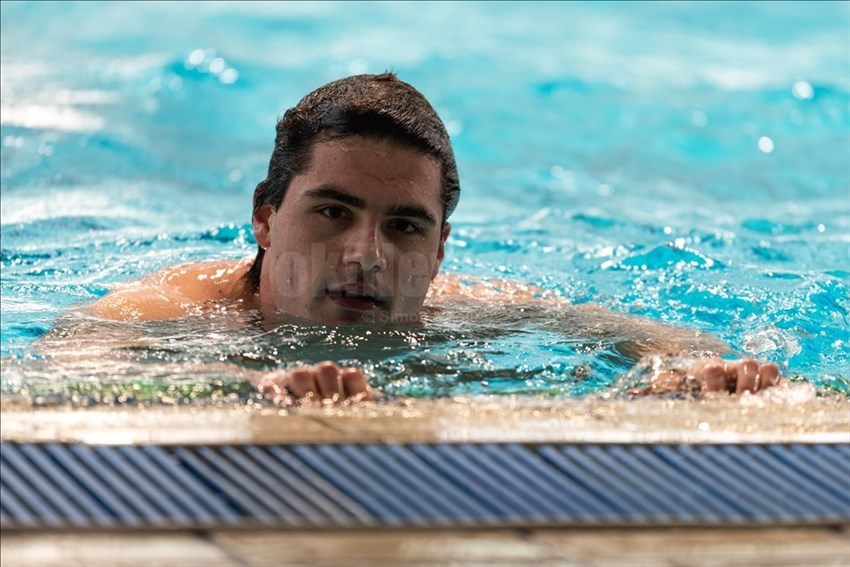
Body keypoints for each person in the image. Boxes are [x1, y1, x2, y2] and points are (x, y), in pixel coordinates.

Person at [90, 73, 783, 404]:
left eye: (404, 226)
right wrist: (235, 390)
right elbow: (71, 376)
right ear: (265, 219)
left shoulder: (468, 311)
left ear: (441, 246)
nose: (366, 253)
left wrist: (681, 372)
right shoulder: (170, 312)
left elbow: (626, 332)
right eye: (333, 212)